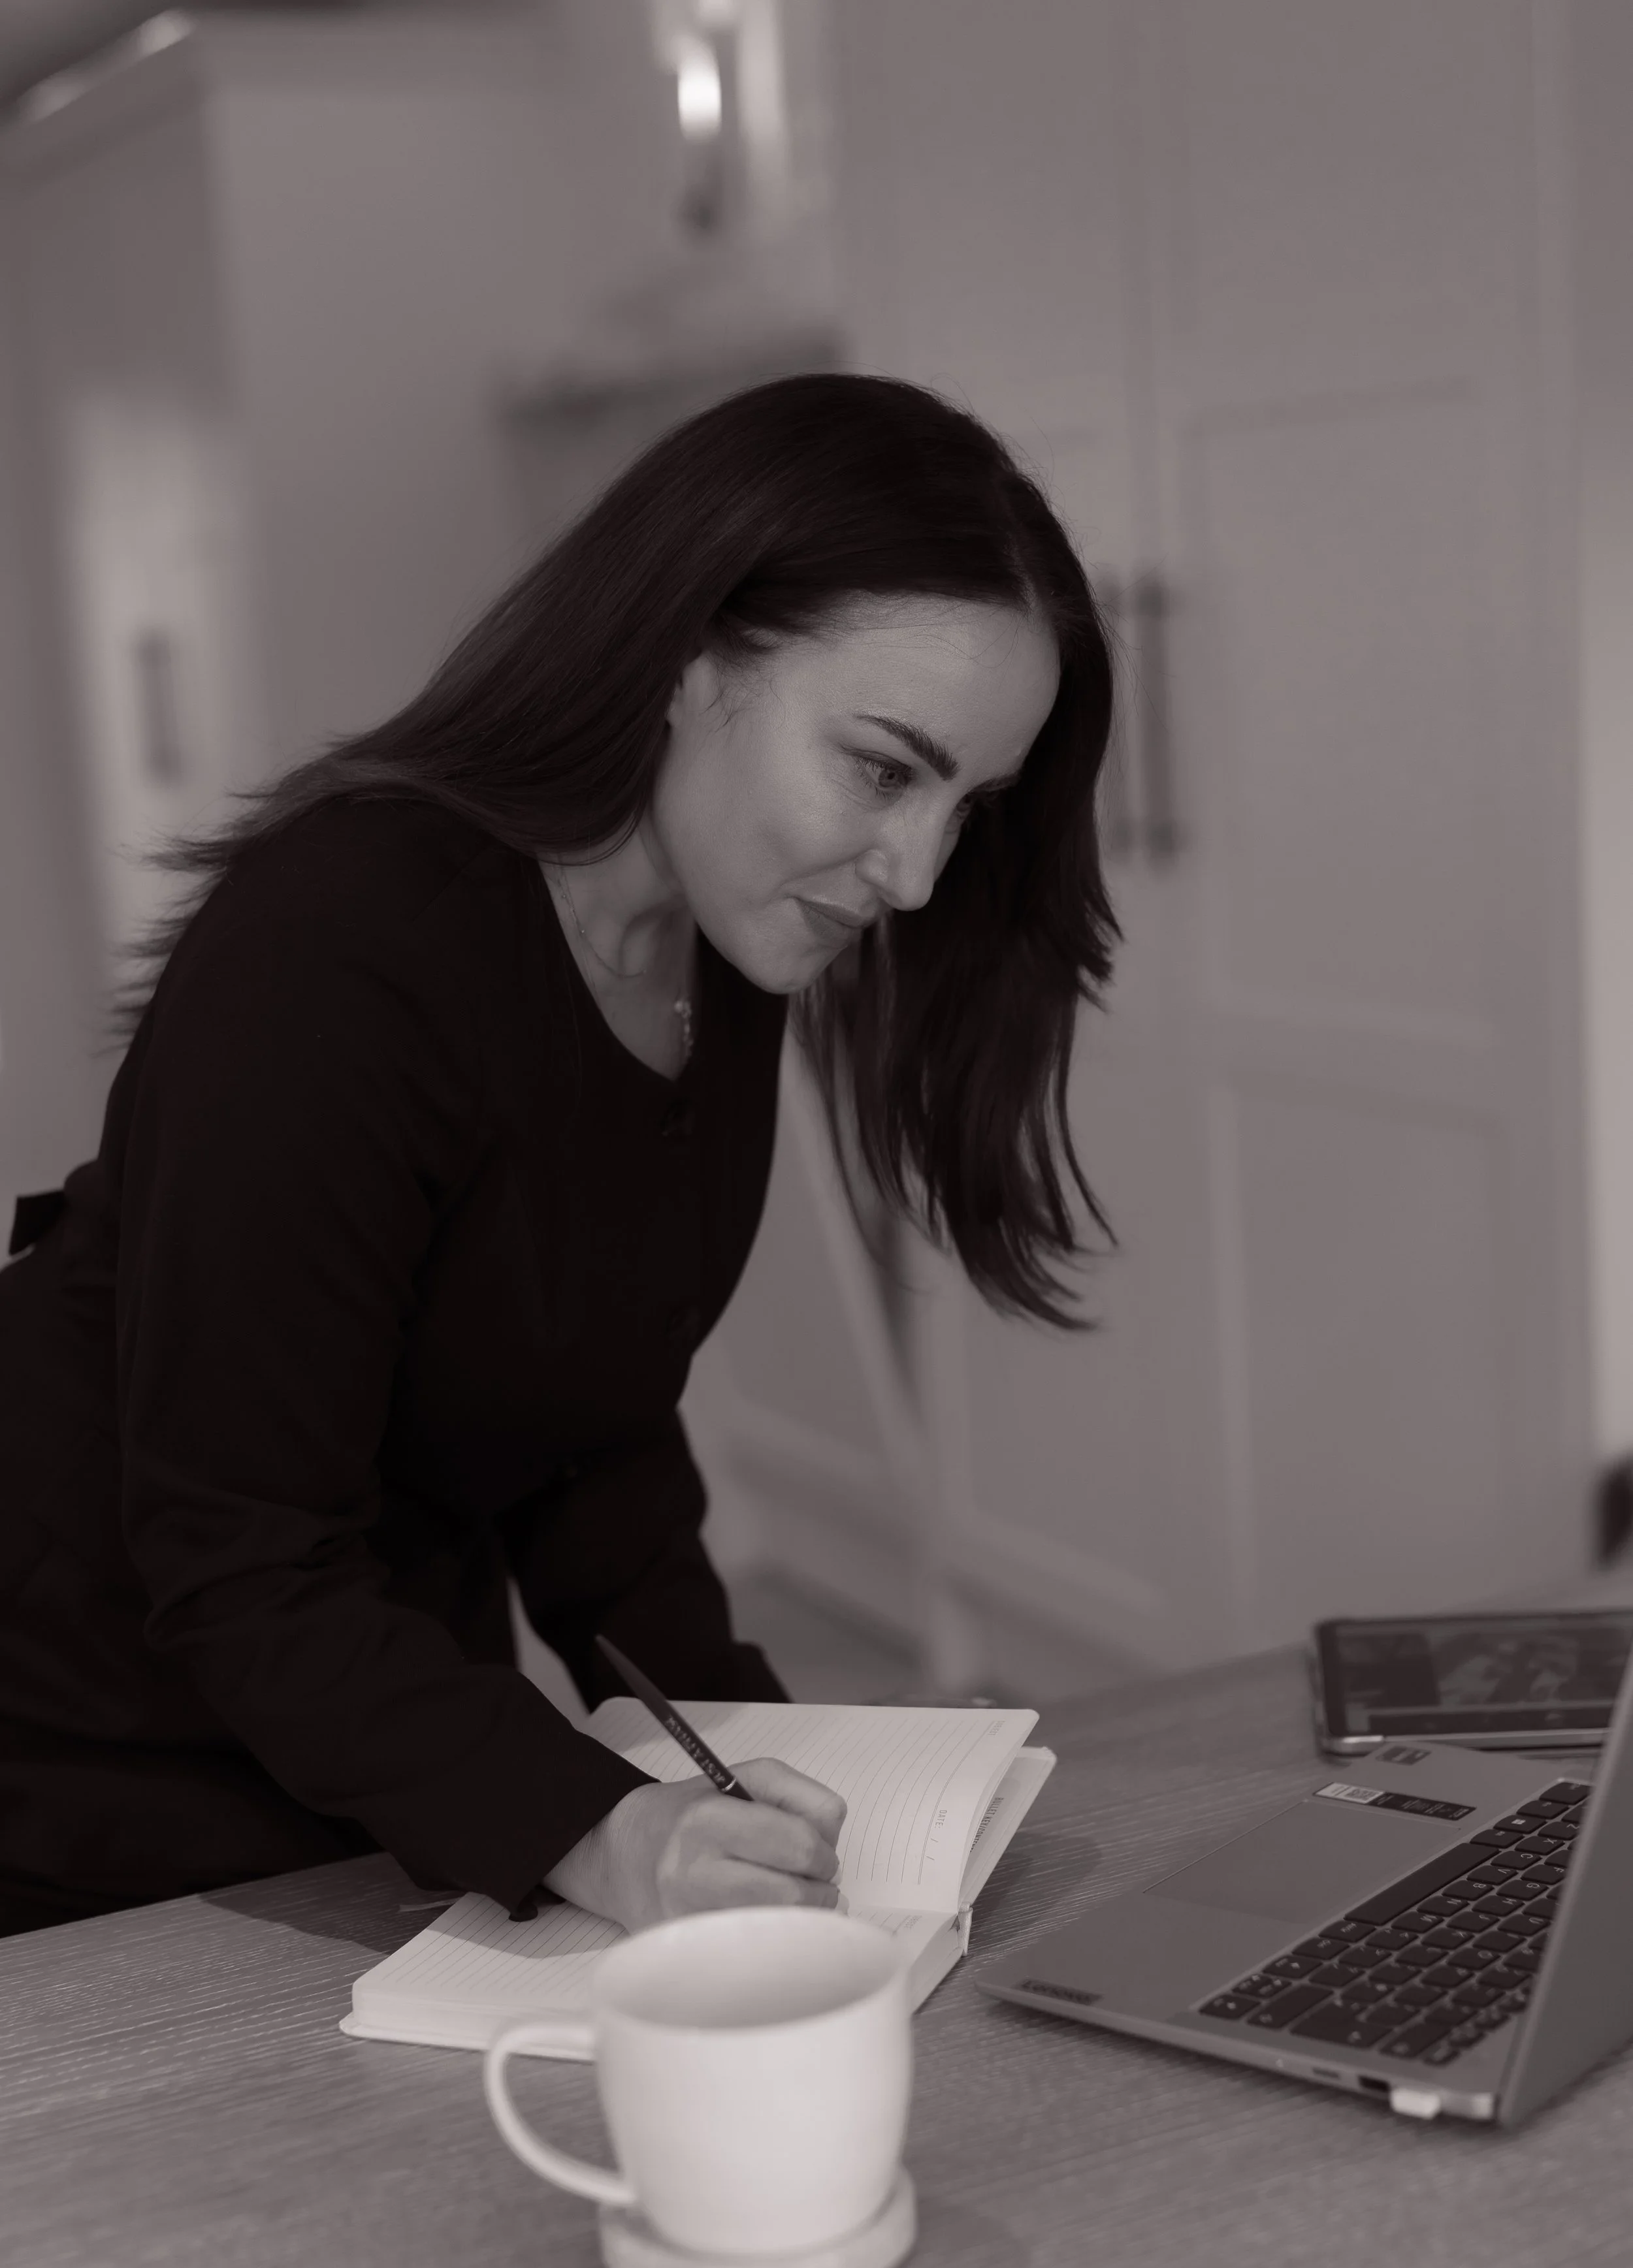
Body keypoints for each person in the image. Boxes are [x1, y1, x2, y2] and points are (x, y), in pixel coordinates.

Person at [0, 373, 1117, 1941]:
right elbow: (243, 1560)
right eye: (882, 768)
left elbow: (586, 1437)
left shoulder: (716, 946)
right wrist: (593, 1830)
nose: (919, 875)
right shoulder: (343, 947)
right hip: (77, 1744)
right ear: (684, 655)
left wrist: (759, 1760)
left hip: (344, 1722)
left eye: (967, 803)